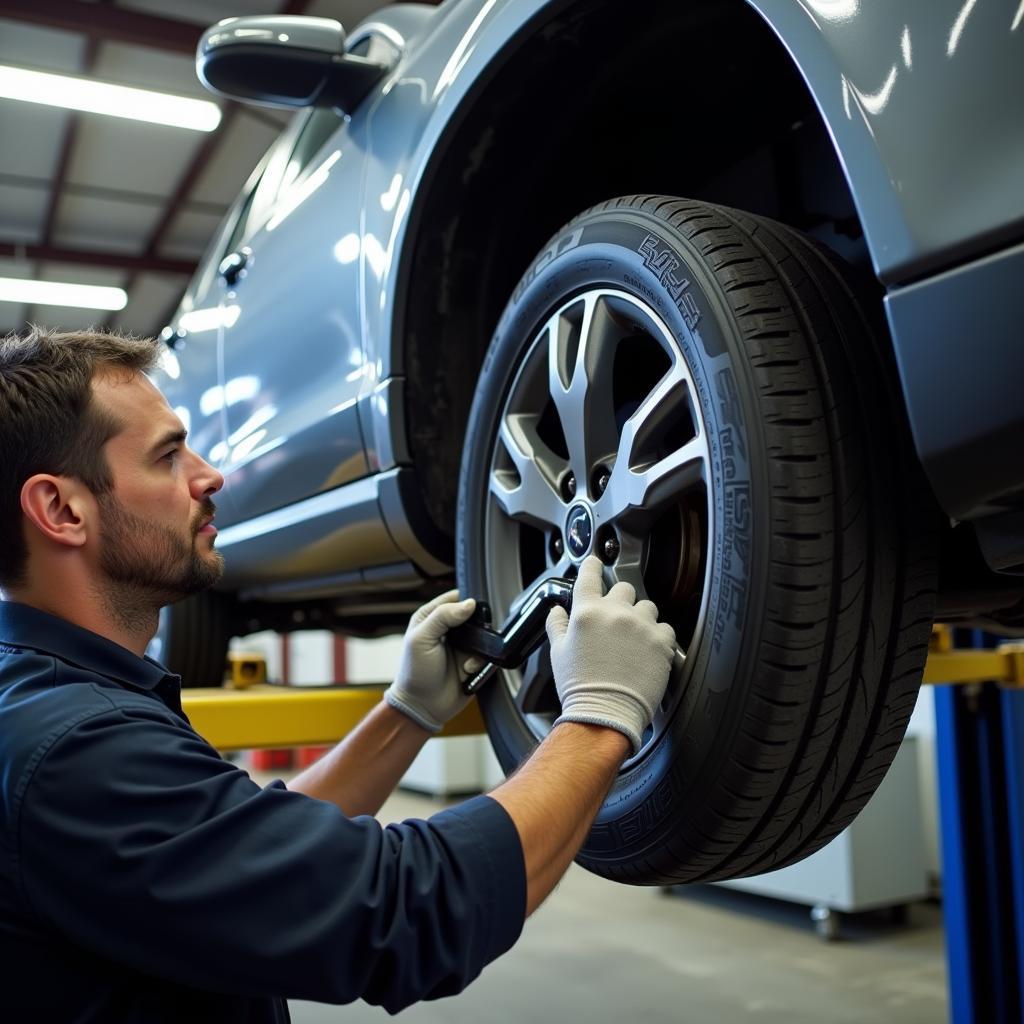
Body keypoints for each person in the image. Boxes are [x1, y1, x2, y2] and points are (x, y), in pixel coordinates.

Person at [0, 327, 677, 1021]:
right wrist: (598, 716)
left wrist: (405, 714)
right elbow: (407, 912)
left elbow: (249, 861)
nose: (210, 475)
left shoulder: (50, 705)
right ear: (61, 510)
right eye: (168, 456)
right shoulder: (72, 752)